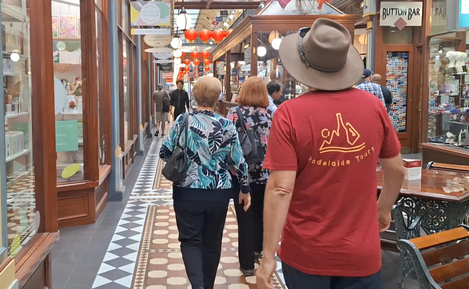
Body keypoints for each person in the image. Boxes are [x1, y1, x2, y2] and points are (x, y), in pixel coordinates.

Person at [256, 18, 404, 289]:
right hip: (362, 251)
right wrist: (383, 209)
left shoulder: (290, 113)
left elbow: (280, 189)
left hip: (306, 251)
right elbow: (396, 169)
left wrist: (267, 256)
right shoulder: (373, 106)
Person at [160, 76, 251, 289]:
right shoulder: (226, 125)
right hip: (219, 193)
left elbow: (164, 152)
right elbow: (239, 161)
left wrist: (186, 158)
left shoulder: (183, 120)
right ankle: (207, 286)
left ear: (194, 95)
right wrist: (245, 189)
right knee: (212, 242)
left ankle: (198, 285)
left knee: (190, 241)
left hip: (186, 192)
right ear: (218, 98)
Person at [227, 77, 273, 276]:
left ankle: (246, 264)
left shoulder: (234, 114)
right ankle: (258, 248)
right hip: (266, 173)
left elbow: (227, 143)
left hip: (241, 174)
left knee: (244, 216)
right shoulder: (273, 114)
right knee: (262, 212)